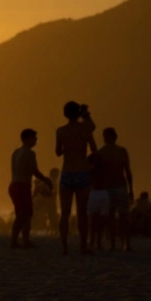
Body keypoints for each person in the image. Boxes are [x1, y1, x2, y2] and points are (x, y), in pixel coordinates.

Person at [56, 101, 97, 255]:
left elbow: (58, 152)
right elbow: (93, 147)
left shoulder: (60, 131)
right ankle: (82, 246)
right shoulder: (85, 128)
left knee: (65, 212)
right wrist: (85, 114)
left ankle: (64, 247)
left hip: (67, 172)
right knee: (82, 212)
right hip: (82, 171)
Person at [89, 127, 133, 251]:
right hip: (115, 187)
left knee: (111, 217)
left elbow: (93, 171)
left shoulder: (101, 152)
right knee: (119, 216)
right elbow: (127, 171)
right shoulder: (120, 151)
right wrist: (131, 189)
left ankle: (118, 243)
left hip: (111, 187)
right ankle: (123, 243)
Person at [9, 128, 52, 249]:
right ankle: (25, 241)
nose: (36, 141)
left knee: (20, 215)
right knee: (26, 215)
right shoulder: (30, 153)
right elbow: (34, 171)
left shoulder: (15, 152)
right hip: (22, 186)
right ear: (27, 139)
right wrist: (46, 180)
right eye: (34, 138)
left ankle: (15, 241)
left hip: (14, 185)